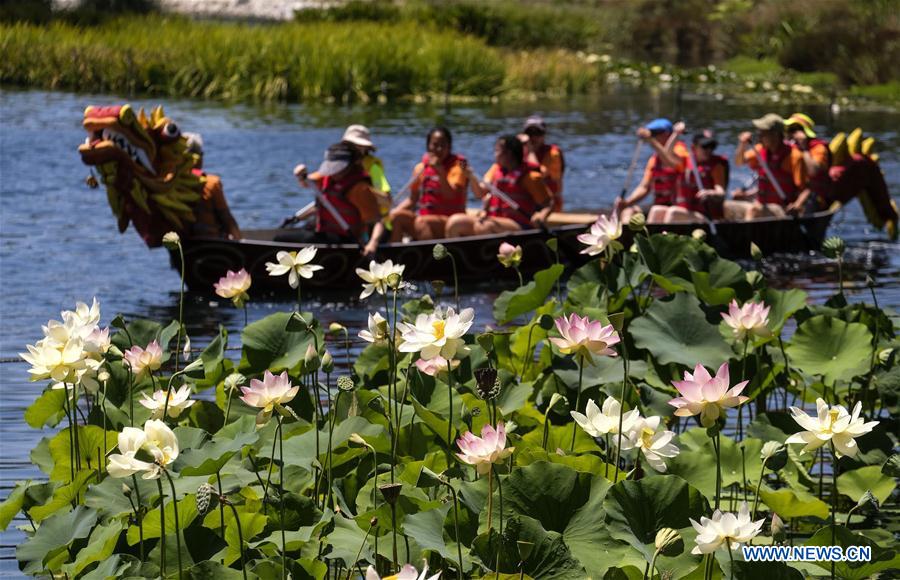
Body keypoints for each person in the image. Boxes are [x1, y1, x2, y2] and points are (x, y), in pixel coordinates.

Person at [283, 142, 385, 256]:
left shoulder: (359, 189)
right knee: (283, 237)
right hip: (324, 233)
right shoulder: (328, 177)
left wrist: (373, 244)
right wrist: (300, 174)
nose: (334, 172)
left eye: (338, 168)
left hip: (347, 240)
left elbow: (377, 222)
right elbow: (307, 183)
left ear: (351, 165)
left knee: (289, 240)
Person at [445, 135, 553, 237]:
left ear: (508, 154)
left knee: (485, 225)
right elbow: (480, 193)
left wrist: (542, 215)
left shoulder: (530, 177)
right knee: (454, 222)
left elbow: (549, 203)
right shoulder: (496, 170)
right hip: (495, 220)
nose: (494, 154)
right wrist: (471, 176)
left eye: (497, 151)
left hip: (520, 225)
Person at [388, 127, 483, 241]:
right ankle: (394, 255)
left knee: (422, 221)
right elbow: (412, 200)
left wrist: (440, 172)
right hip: (425, 218)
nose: (439, 149)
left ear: (449, 147)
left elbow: (451, 196)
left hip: (449, 220)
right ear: (428, 146)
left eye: (443, 145)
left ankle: (429, 255)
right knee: (396, 217)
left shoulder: (458, 167)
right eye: (435, 145)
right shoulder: (420, 168)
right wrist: (392, 212)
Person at [733, 113, 809, 219]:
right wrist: (742, 144)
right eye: (759, 132)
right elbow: (739, 162)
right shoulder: (760, 150)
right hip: (763, 205)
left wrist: (797, 205)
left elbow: (806, 189)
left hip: (783, 209)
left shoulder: (795, 156)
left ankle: (746, 233)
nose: (759, 136)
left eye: (763, 133)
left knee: (754, 210)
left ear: (775, 135)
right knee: (731, 203)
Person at [615, 118, 690, 223]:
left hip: (678, 207)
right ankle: (625, 237)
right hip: (659, 205)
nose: (654, 136)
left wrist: (651, 140)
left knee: (657, 211)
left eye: (656, 133)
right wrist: (627, 202)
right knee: (628, 211)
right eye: (652, 134)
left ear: (667, 133)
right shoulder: (654, 159)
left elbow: (670, 162)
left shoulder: (680, 150)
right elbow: (644, 187)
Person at [183, 132, 242, 240]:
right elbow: (227, 219)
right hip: (211, 245)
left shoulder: (169, 185)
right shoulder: (211, 184)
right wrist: (241, 243)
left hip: (184, 245)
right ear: (199, 157)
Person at [666, 131, 729, 223]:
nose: (709, 150)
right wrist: (676, 133)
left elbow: (721, 192)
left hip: (706, 215)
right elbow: (668, 152)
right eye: (705, 147)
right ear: (694, 147)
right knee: (657, 210)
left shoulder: (716, 166)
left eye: (712, 147)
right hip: (688, 210)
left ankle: (664, 237)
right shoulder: (686, 160)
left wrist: (709, 192)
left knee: (673, 212)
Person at [341, 124, 391, 216]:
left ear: (366, 148)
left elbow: (387, 200)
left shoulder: (373, 168)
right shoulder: (337, 165)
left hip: (370, 218)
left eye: (359, 146)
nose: (354, 149)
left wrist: (365, 191)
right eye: (351, 145)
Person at [785, 113, 832, 210]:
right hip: (793, 193)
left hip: (814, 198)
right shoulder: (789, 148)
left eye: (793, 130)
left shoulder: (819, 148)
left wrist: (804, 148)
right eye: (789, 130)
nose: (789, 134)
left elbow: (813, 172)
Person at [522, 115, 565, 211]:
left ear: (544, 135)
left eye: (537, 133)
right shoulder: (520, 152)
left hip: (549, 207)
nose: (533, 137)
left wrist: (530, 151)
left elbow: (539, 174)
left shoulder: (553, 154)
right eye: (529, 133)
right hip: (526, 204)